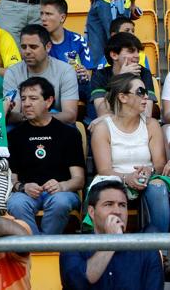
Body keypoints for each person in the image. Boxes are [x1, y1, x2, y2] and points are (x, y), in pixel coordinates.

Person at [91, 73, 169, 233]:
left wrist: (150, 171)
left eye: (146, 92)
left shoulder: (151, 124)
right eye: (140, 92)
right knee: (108, 191)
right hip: (115, 178)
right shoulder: (103, 128)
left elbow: (160, 163)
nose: (146, 96)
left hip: (148, 178)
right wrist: (127, 178)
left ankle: (161, 249)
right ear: (123, 97)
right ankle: (110, 244)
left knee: (157, 187)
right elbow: (104, 170)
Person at [7, 77, 85, 235]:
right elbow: (12, 179)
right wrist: (23, 187)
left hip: (62, 192)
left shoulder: (68, 133)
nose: (27, 103)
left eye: (33, 98)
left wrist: (61, 186)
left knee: (60, 202)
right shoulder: (15, 135)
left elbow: (79, 180)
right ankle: (38, 249)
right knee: (15, 203)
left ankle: (44, 248)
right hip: (27, 194)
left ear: (49, 101)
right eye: (23, 99)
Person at [60, 180, 164, 289]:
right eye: (109, 204)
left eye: (122, 205)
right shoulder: (72, 246)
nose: (117, 211)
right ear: (91, 212)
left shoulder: (146, 249)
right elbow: (78, 283)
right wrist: (111, 241)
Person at [4, 24, 79, 125]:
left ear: (48, 47)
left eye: (33, 47)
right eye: (23, 47)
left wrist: (39, 117)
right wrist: (33, 118)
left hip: (56, 126)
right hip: (24, 126)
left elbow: (70, 115)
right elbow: (14, 113)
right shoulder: (12, 72)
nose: (27, 51)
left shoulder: (66, 71)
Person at [90, 32, 156, 122]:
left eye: (138, 51)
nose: (137, 56)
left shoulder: (144, 74)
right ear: (114, 55)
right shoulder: (100, 75)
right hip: (110, 128)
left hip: (137, 126)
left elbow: (146, 114)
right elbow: (102, 112)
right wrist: (120, 79)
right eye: (131, 51)